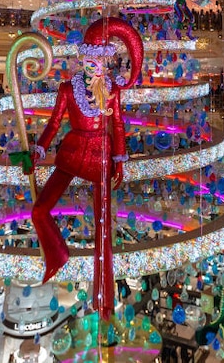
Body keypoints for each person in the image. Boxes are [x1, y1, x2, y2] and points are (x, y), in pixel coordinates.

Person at [28, 17, 143, 322]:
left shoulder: (112, 91)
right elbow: (54, 123)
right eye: (90, 61)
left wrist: (120, 159)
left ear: (106, 62)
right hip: (72, 152)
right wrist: (40, 148)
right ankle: (57, 255)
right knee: (39, 210)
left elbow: (118, 125)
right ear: (82, 60)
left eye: (100, 62)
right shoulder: (68, 89)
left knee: (103, 231)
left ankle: (103, 300)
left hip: (101, 157)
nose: (95, 67)